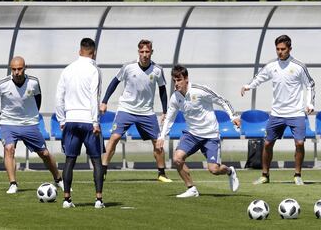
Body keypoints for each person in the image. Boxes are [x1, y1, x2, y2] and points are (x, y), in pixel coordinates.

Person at [0, 56, 64, 194]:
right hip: (8, 123)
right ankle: (13, 184)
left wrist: (32, 115)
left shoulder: (33, 82)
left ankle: (58, 179)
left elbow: (38, 99)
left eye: (19, 69)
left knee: (44, 153)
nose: (17, 72)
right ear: (11, 69)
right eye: (14, 69)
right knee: (9, 148)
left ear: (25, 68)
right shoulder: (2, 84)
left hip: (29, 123)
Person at [241, 34, 315, 185]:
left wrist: (310, 103)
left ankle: (297, 175)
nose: (280, 52)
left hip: (296, 113)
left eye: (283, 49)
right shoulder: (271, 66)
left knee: (299, 143)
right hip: (277, 113)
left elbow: (310, 84)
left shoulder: (299, 66)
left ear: (290, 49)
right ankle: (264, 175)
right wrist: (248, 86)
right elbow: (259, 77)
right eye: (277, 49)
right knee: (267, 144)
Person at [157, 65, 241, 198]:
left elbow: (222, 100)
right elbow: (169, 118)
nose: (176, 84)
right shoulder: (175, 97)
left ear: (186, 79)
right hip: (191, 134)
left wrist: (233, 116)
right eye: (174, 81)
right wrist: (161, 136)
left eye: (179, 80)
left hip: (210, 135)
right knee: (177, 159)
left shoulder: (199, 91)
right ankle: (191, 189)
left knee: (214, 169)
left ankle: (229, 171)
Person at [100, 39, 172, 182]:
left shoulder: (157, 70)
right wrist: (104, 101)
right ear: (138, 52)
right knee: (114, 138)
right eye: (142, 51)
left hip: (146, 112)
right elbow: (114, 83)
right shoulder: (128, 67)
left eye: (147, 51)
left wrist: (165, 111)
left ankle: (161, 174)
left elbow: (163, 90)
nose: (145, 54)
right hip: (126, 109)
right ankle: (102, 171)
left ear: (152, 52)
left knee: (157, 142)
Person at [55, 37, 104, 209]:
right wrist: (95, 121)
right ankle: (98, 199)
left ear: (79, 51)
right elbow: (94, 96)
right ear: (94, 52)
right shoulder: (95, 70)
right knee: (97, 160)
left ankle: (66, 199)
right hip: (88, 121)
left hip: (71, 120)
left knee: (70, 160)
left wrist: (62, 119)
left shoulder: (68, 69)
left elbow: (58, 97)